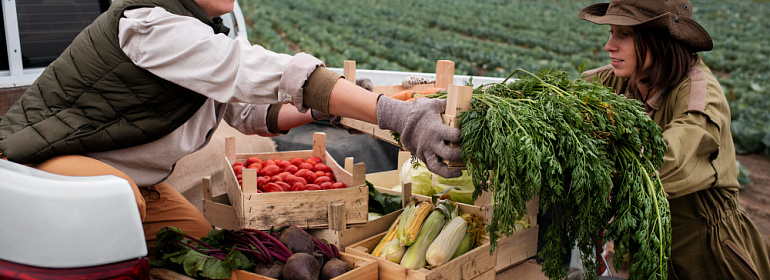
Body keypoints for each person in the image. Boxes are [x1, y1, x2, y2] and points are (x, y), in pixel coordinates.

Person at [0, 0, 462, 246]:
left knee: (205, 248)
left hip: (135, 181)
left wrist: (326, 109)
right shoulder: (148, 23)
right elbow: (252, 69)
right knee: (113, 204)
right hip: (40, 164)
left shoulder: (197, 32)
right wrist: (398, 116)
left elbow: (249, 113)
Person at [578, 0, 770, 278]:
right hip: (645, 246)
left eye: (625, 34)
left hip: (705, 252)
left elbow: (671, 158)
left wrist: (595, 170)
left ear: (659, 41)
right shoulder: (621, 79)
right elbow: (566, 99)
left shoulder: (700, 96)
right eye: (610, 32)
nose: (610, 45)